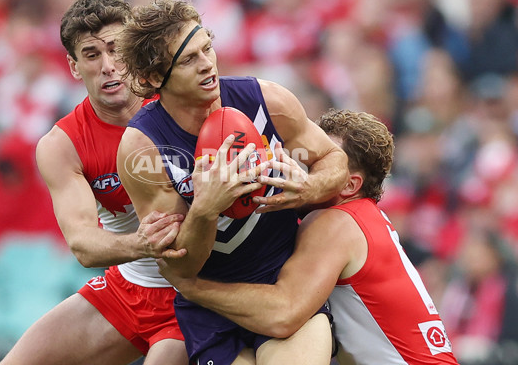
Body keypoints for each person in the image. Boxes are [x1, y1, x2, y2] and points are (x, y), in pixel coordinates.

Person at [116, 0, 349, 364]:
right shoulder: (141, 148)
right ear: (154, 78)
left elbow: (334, 160)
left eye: (207, 47)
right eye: (189, 59)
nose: (208, 64)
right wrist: (206, 209)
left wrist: (310, 187)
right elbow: (180, 266)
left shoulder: (265, 99)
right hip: (211, 308)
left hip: (284, 283)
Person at [159, 109, 461, 365]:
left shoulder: (335, 221)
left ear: (349, 185)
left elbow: (283, 314)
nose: (299, 165)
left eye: (320, 162)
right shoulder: (362, 217)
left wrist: (191, 286)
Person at [0, 0, 188, 365]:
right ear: (73, 66)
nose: (108, 66)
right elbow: (83, 243)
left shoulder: (181, 102)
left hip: (196, 292)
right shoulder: (62, 144)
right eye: (92, 54)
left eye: (116, 49)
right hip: (131, 286)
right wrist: (145, 243)